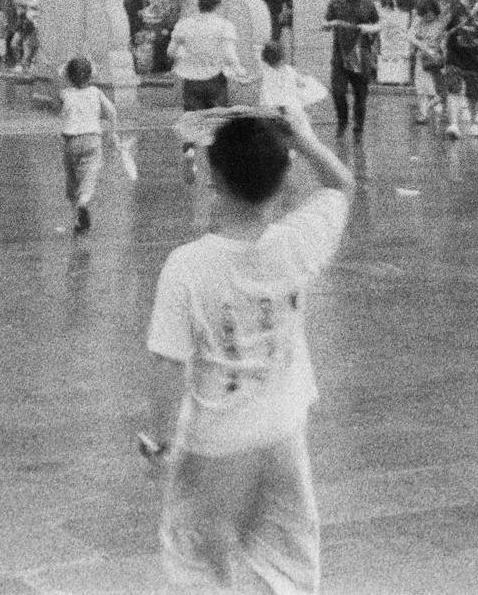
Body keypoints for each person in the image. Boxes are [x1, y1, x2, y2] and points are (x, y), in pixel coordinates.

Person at [142, 109, 354, 593]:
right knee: (287, 563)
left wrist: (161, 441)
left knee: (198, 563)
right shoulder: (296, 242)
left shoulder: (188, 267)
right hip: (283, 431)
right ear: (283, 182)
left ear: (213, 180)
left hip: (214, 441)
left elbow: (167, 364)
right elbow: (341, 187)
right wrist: (304, 140)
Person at [169, 0, 248, 184]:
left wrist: (186, 55)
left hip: (191, 81)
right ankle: (214, 173)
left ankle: (189, 152)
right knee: (216, 126)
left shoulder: (185, 25)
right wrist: (240, 72)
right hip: (215, 80)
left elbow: (170, 52)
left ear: (198, 2)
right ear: (218, 2)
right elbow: (230, 55)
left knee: (192, 120)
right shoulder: (224, 26)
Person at [57, 55, 120, 234]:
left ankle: (77, 218)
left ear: (69, 76)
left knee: (72, 180)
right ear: (90, 76)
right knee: (89, 176)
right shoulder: (95, 92)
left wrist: (64, 74)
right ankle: (84, 202)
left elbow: (56, 104)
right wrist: (112, 132)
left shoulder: (65, 94)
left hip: (70, 140)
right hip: (92, 138)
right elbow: (112, 113)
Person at [322, 0, 381, 138]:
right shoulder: (335, 3)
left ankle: (358, 128)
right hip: (340, 54)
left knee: (360, 93)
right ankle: (342, 121)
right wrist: (330, 24)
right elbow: (325, 23)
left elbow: (378, 25)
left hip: (361, 54)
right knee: (338, 91)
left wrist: (370, 28)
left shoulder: (367, 4)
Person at [442, 0, 478, 139]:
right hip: (455, 56)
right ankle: (454, 125)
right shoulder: (453, 8)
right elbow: (442, 28)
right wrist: (441, 45)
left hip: (475, 58)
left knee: (475, 95)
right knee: (454, 90)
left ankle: (474, 123)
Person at [257, 41, 325, 137]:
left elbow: (267, 95)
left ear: (265, 59)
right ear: (282, 57)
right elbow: (301, 83)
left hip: (279, 111)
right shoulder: (288, 70)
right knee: (306, 136)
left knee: (281, 139)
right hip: (294, 108)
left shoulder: (268, 74)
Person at [407, 0, 447, 126]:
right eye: (425, 14)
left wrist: (441, 53)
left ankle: (432, 109)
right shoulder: (419, 21)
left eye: (430, 14)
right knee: (421, 87)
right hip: (422, 58)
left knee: (436, 88)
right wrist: (421, 44)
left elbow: (444, 42)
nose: (428, 17)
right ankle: (423, 113)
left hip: (436, 59)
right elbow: (410, 35)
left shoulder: (440, 23)